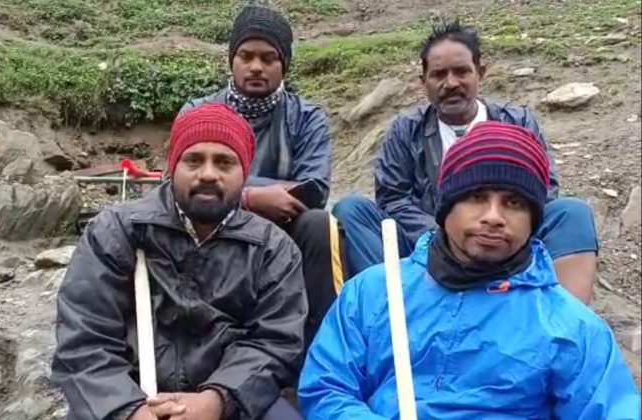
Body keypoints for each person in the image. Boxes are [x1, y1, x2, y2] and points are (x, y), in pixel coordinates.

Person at [298, 121, 641, 419]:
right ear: (446, 208)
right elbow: (327, 389)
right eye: (476, 197)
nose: (493, 216)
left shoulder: (571, 328)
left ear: (533, 220)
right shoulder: (372, 293)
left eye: (514, 203)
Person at [52, 104, 306, 420]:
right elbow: (84, 339)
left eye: (225, 162)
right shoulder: (117, 230)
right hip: (128, 396)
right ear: (173, 167)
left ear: (245, 174)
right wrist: (128, 411)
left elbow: (275, 344)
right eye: (194, 160)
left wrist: (216, 401)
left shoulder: (272, 249)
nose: (209, 173)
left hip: (228, 401)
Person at [333, 21, 598, 303]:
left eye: (461, 72)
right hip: (426, 245)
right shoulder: (406, 129)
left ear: (480, 72)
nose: (451, 83)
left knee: (571, 212)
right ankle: (392, 310)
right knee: (352, 210)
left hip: (506, 240)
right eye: (438, 75)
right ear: (423, 82)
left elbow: (544, 189)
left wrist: (499, 224)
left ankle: (563, 321)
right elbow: (393, 197)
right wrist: (447, 231)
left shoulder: (517, 121)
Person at [179, 5, 344, 347]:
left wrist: (230, 191)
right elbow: (176, 185)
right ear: (232, 60)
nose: (256, 66)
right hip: (212, 224)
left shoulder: (307, 117)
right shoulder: (198, 112)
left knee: (318, 223)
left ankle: (320, 349)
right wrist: (252, 198)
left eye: (268, 58)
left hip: (284, 226)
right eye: (246, 56)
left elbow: (313, 189)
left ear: (284, 64)